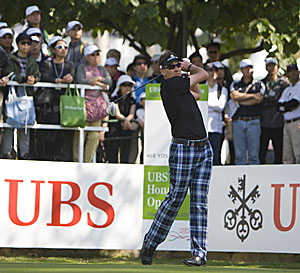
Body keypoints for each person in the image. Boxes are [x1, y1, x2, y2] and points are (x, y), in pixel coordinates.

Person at [140, 50, 212, 267]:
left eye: (178, 65)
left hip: (203, 148)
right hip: (183, 149)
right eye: (172, 66)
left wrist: (185, 71)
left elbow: (197, 92)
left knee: (199, 202)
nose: (177, 68)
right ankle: (150, 242)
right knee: (175, 199)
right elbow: (204, 74)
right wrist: (190, 66)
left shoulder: (180, 84)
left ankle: (199, 253)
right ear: (163, 71)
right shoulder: (169, 86)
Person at [1, 33, 40, 160]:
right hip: (13, 96)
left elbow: (37, 75)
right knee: (10, 123)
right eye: (23, 43)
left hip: (27, 96)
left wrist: (34, 79)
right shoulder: (11, 58)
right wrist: (22, 78)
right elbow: (9, 74)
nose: (26, 46)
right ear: (17, 44)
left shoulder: (32, 60)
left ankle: (24, 153)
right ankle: (6, 152)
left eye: (29, 43)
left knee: (25, 125)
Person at [38, 36, 75, 161]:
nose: (63, 50)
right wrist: (58, 80)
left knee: (62, 136)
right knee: (49, 135)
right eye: (59, 47)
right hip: (50, 104)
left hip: (65, 104)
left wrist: (70, 78)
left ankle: (58, 158)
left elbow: (73, 76)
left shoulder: (70, 65)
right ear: (53, 50)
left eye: (65, 47)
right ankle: (48, 159)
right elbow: (44, 76)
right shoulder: (47, 63)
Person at [74, 45, 112, 162]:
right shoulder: (82, 67)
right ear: (87, 57)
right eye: (92, 55)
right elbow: (80, 80)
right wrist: (98, 83)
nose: (96, 57)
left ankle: (87, 161)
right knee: (80, 134)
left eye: (97, 54)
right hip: (83, 105)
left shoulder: (101, 69)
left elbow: (109, 81)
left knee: (94, 135)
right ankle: (76, 160)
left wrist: (98, 79)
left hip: (97, 107)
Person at [229, 59, 265, 165]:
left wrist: (241, 99)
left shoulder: (259, 84)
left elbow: (259, 99)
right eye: (246, 67)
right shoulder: (235, 84)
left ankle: (255, 179)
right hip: (238, 122)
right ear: (241, 69)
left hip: (254, 121)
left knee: (254, 155)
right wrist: (252, 96)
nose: (248, 70)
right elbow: (234, 96)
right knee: (239, 156)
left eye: (250, 67)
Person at [260, 58, 289, 164]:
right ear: (266, 67)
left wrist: (269, 100)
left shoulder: (283, 83)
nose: (271, 68)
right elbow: (260, 99)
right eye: (269, 66)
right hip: (264, 122)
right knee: (262, 151)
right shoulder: (262, 83)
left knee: (279, 151)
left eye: (274, 65)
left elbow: (284, 100)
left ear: (277, 67)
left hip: (278, 122)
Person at [105, 75, 138, 163]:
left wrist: (127, 120)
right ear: (119, 86)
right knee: (113, 150)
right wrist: (125, 119)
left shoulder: (132, 100)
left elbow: (132, 113)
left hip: (126, 126)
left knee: (126, 149)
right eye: (124, 85)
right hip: (115, 126)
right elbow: (117, 114)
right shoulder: (115, 98)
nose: (127, 87)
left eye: (129, 85)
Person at [206, 63, 228, 165]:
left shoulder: (222, 89)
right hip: (203, 127)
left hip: (216, 128)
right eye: (210, 71)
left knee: (215, 156)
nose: (212, 73)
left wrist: (208, 105)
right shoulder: (201, 87)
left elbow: (220, 107)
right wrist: (212, 106)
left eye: (214, 71)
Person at [278, 63, 300, 164]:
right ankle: (288, 179)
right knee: (287, 155)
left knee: (298, 152)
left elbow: (295, 103)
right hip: (286, 123)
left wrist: (286, 106)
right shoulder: (287, 89)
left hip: (297, 122)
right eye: (291, 71)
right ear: (288, 75)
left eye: (295, 70)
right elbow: (279, 106)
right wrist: (287, 106)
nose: (294, 73)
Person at [136, 92, 145, 163]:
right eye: (143, 99)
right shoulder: (139, 111)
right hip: (144, 134)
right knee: (143, 148)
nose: (145, 101)